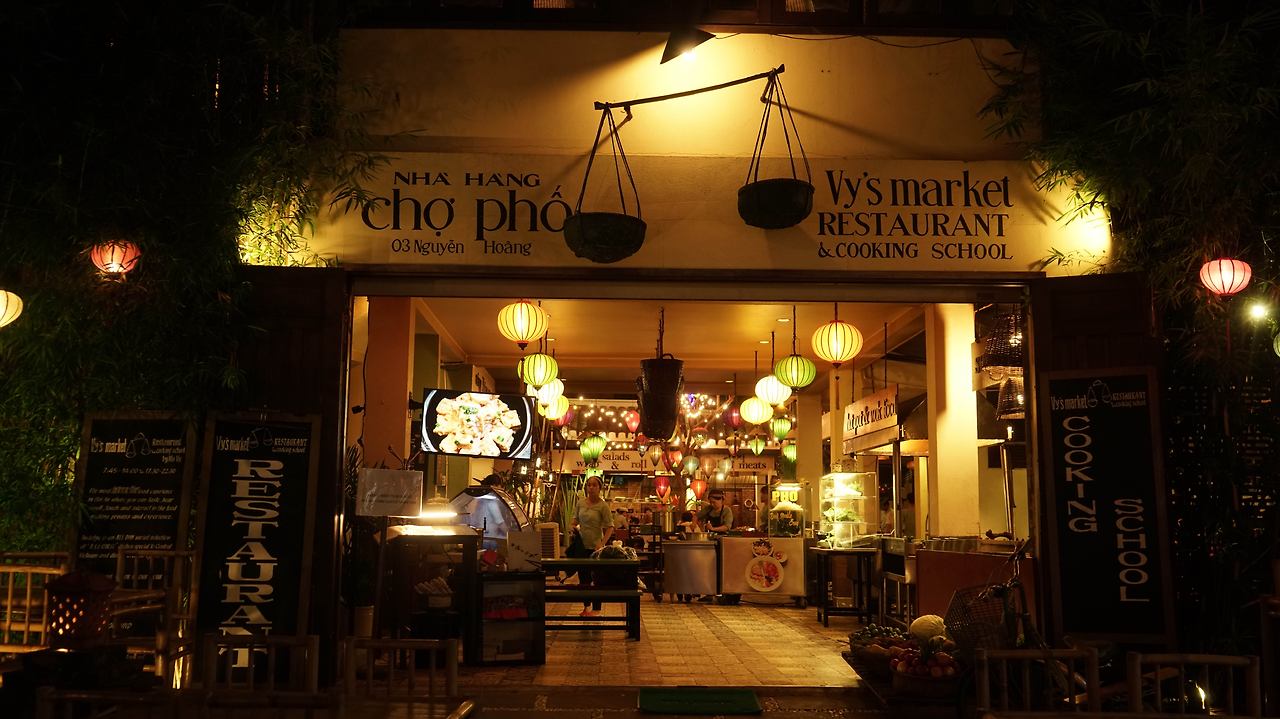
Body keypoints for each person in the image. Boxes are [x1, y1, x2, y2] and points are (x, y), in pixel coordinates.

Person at [572, 475, 614, 616]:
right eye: (589, 485)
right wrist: (573, 527)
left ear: (599, 488)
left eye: (594, 485)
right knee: (583, 577)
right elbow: (575, 520)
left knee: (596, 578)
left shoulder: (603, 506)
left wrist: (602, 543)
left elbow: (610, 527)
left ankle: (596, 608)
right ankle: (586, 607)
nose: (591, 487)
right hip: (581, 546)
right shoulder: (580, 503)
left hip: (596, 547)